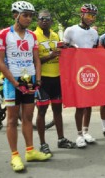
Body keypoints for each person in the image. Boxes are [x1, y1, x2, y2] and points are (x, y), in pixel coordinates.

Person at [0, 1, 51, 172]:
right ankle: (15, 156)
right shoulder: (3, 34)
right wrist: (15, 82)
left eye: (30, 15)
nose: (29, 18)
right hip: (13, 83)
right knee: (11, 120)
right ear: (15, 15)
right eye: (25, 15)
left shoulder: (32, 36)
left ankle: (30, 151)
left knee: (27, 117)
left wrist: (38, 80)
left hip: (30, 81)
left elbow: (36, 60)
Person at [35, 10, 75, 155]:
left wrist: (65, 50)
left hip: (57, 78)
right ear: (38, 20)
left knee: (58, 110)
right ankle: (42, 143)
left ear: (51, 21)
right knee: (42, 111)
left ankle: (61, 139)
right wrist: (50, 55)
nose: (45, 21)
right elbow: (34, 60)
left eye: (47, 19)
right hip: (43, 79)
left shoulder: (55, 35)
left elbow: (59, 53)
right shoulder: (34, 36)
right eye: (42, 19)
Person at [63, 4, 99, 147]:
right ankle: (79, 135)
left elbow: (95, 52)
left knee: (88, 103)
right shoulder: (70, 30)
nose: (91, 18)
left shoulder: (95, 33)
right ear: (81, 15)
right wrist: (71, 49)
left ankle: (86, 131)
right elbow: (64, 50)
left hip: (90, 71)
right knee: (80, 104)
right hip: (76, 71)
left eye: (93, 16)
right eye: (89, 15)